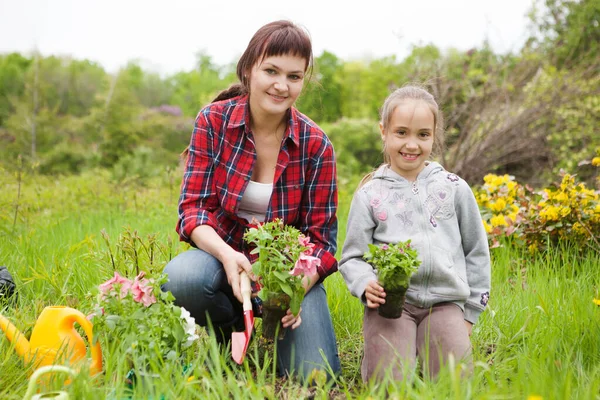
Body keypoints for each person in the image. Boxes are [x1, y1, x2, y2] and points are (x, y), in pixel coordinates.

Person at [162, 20, 340, 381]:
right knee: (182, 278)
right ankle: (228, 330)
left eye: (293, 76)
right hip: (221, 262)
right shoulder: (212, 122)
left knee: (314, 376)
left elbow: (322, 242)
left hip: (284, 275)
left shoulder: (316, 145)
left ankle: (275, 333)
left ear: (304, 81)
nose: (281, 85)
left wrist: (296, 288)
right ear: (248, 70)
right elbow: (192, 210)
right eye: (271, 71)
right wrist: (228, 257)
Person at [338, 85, 491, 382]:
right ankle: (394, 352)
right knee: (388, 384)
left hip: (445, 303)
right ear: (384, 132)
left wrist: (470, 313)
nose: (412, 144)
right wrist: (365, 282)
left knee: (454, 385)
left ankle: (430, 349)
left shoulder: (454, 188)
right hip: (391, 305)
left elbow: (477, 251)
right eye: (401, 133)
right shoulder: (370, 194)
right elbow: (352, 257)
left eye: (423, 134)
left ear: (434, 136)